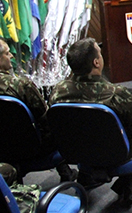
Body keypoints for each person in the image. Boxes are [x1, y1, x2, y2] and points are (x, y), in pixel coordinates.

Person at [49, 37, 132, 207]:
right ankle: (127, 186)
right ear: (96, 62)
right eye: (100, 54)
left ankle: (87, 176)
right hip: (116, 154)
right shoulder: (115, 93)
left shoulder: (58, 92)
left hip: (78, 151)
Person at [0, 38, 76, 182]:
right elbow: (46, 118)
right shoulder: (21, 85)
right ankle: (76, 174)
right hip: (32, 147)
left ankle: (66, 172)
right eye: (7, 53)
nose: (11, 56)